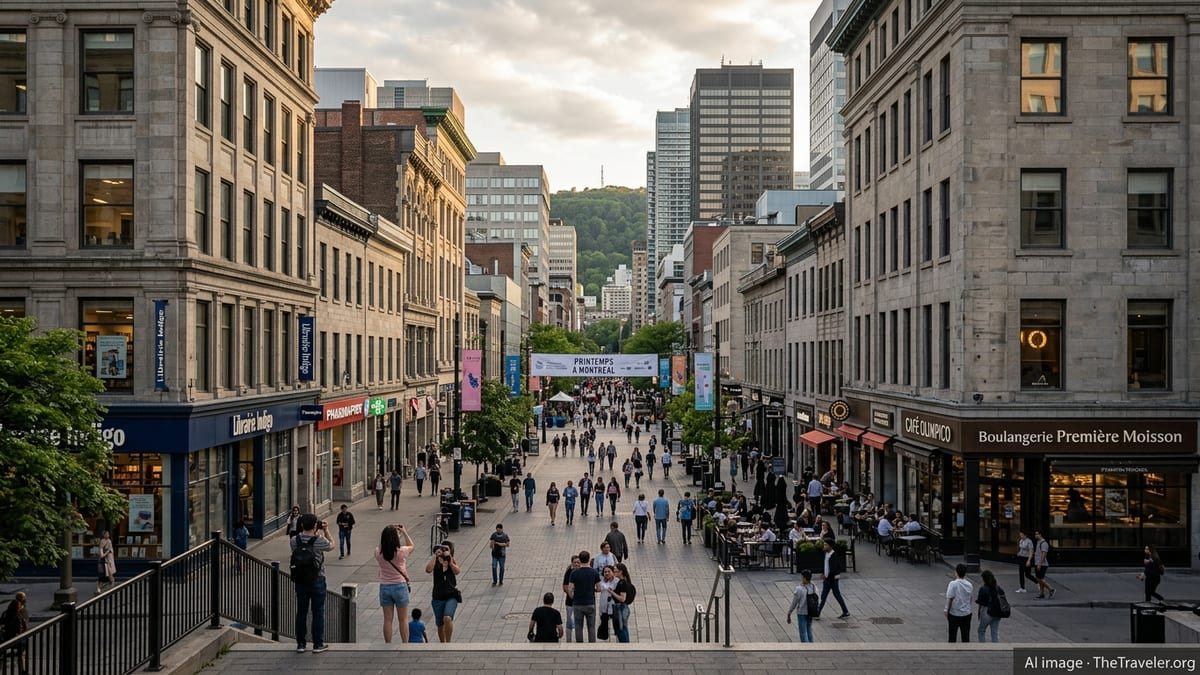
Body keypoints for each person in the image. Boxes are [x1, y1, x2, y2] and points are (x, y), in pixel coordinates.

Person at [291, 514, 334, 653]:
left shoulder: (294, 540)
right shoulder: (319, 540)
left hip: (301, 580)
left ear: (302, 525)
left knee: (301, 612)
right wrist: (327, 531)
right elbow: (332, 545)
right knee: (318, 612)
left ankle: (301, 644)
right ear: (315, 526)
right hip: (317, 579)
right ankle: (318, 644)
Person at [374, 523, 415, 643]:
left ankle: (388, 643)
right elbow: (412, 545)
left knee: (387, 619)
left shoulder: (378, 552)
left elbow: (382, 547)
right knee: (403, 619)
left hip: (385, 586)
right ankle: (405, 643)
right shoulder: (401, 552)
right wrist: (404, 532)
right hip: (400, 586)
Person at [424, 540, 462, 642]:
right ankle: (442, 643)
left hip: (451, 596)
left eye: (446, 549)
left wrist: (449, 562)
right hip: (437, 597)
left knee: (447, 618)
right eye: (442, 548)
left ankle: (448, 642)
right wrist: (436, 556)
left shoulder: (451, 560)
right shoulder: (436, 561)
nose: (444, 551)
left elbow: (457, 571)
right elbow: (428, 570)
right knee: (440, 625)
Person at [567, 550, 603, 642]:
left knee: (578, 626)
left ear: (580, 559)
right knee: (591, 627)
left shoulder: (574, 573)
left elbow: (569, 589)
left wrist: (573, 597)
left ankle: (579, 645)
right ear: (589, 559)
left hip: (578, 603)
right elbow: (599, 588)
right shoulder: (594, 572)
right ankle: (592, 645)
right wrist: (592, 590)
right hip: (590, 603)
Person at [817, 538, 850, 619]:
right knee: (824, 596)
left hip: (832, 580)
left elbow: (834, 569)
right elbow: (825, 565)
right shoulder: (826, 554)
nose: (824, 546)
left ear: (830, 546)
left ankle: (845, 611)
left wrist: (827, 576)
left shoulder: (834, 556)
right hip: (827, 579)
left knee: (834, 596)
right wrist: (823, 573)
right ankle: (818, 613)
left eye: (826, 545)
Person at [945, 562, 974, 643]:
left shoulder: (953, 584)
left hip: (954, 613)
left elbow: (950, 598)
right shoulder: (969, 584)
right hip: (967, 613)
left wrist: (946, 610)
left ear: (956, 572)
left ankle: (952, 652)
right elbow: (970, 598)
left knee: (952, 635)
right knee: (965, 635)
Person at [785, 569, 816, 643]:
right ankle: (812, 646)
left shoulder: (799, 589)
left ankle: (806, 647)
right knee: (809, 629)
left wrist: (789, 612)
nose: (801, 578)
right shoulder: (814, 587)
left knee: (803, 632)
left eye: (802, 577)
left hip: (802, 612)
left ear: (804, 578)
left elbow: (794, 603)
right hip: (811, 611)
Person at [976, 569, 1003, 643]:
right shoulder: (998, 588)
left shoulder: (983, 589)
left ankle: (983, 647)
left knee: (981, 630)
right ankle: (996, 647)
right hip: (997, 612)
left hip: (987, 611)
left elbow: (980, 603)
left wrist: (979, 613)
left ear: (984, 579)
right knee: (994, 631)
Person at [609, 563, 634, 643]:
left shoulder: (622, 583)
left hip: (621, 607)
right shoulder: (625, 581)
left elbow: (622, 599)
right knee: (623, 626)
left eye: (616, 572)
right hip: (623, 607)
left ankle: (625, 645)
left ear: (621, 572)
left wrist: (612, 592)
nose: (614, 573)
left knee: (621, 627)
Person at [561, 555, 581, 640]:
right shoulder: (569, 572)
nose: (576, 564)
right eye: (575, 562)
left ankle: (578, 639)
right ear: (572, 563)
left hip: (580, 601)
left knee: (579, 622)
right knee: (569, 621)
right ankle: (568, 640)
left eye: (578, 562)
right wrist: (572, 597)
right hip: (570, 601)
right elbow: (565, 587)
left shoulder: (581, 571)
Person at [1033, 530, 1055, 599]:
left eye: (1037, 534)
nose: (1036, 536)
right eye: (1035, 534)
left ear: (1040, 534)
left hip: (1042, 564)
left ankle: (1051, 589)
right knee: (1038, 578)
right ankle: (1042, 593)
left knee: (1040, 578)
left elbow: (1044, 554)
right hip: (1037, 563)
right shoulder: (1038, 542)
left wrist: (1040, 563)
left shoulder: (1044, 543)